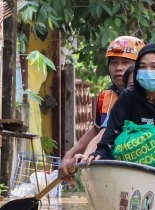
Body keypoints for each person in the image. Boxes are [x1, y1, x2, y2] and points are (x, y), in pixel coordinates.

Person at [58, 36, 142, 178]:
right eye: (114, 62)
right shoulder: (107, 96)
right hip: (111, 164)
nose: (119, 68)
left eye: (126, 62)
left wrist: (85, 156)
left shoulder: (149, 95)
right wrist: (70, 155)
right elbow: (99, 129)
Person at [75, 43, 155, 164]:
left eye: (154, 67)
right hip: (137, 168)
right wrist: (99, 153)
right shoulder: (127, 97)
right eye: (142, 67)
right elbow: (108, 134)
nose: (148, 71)